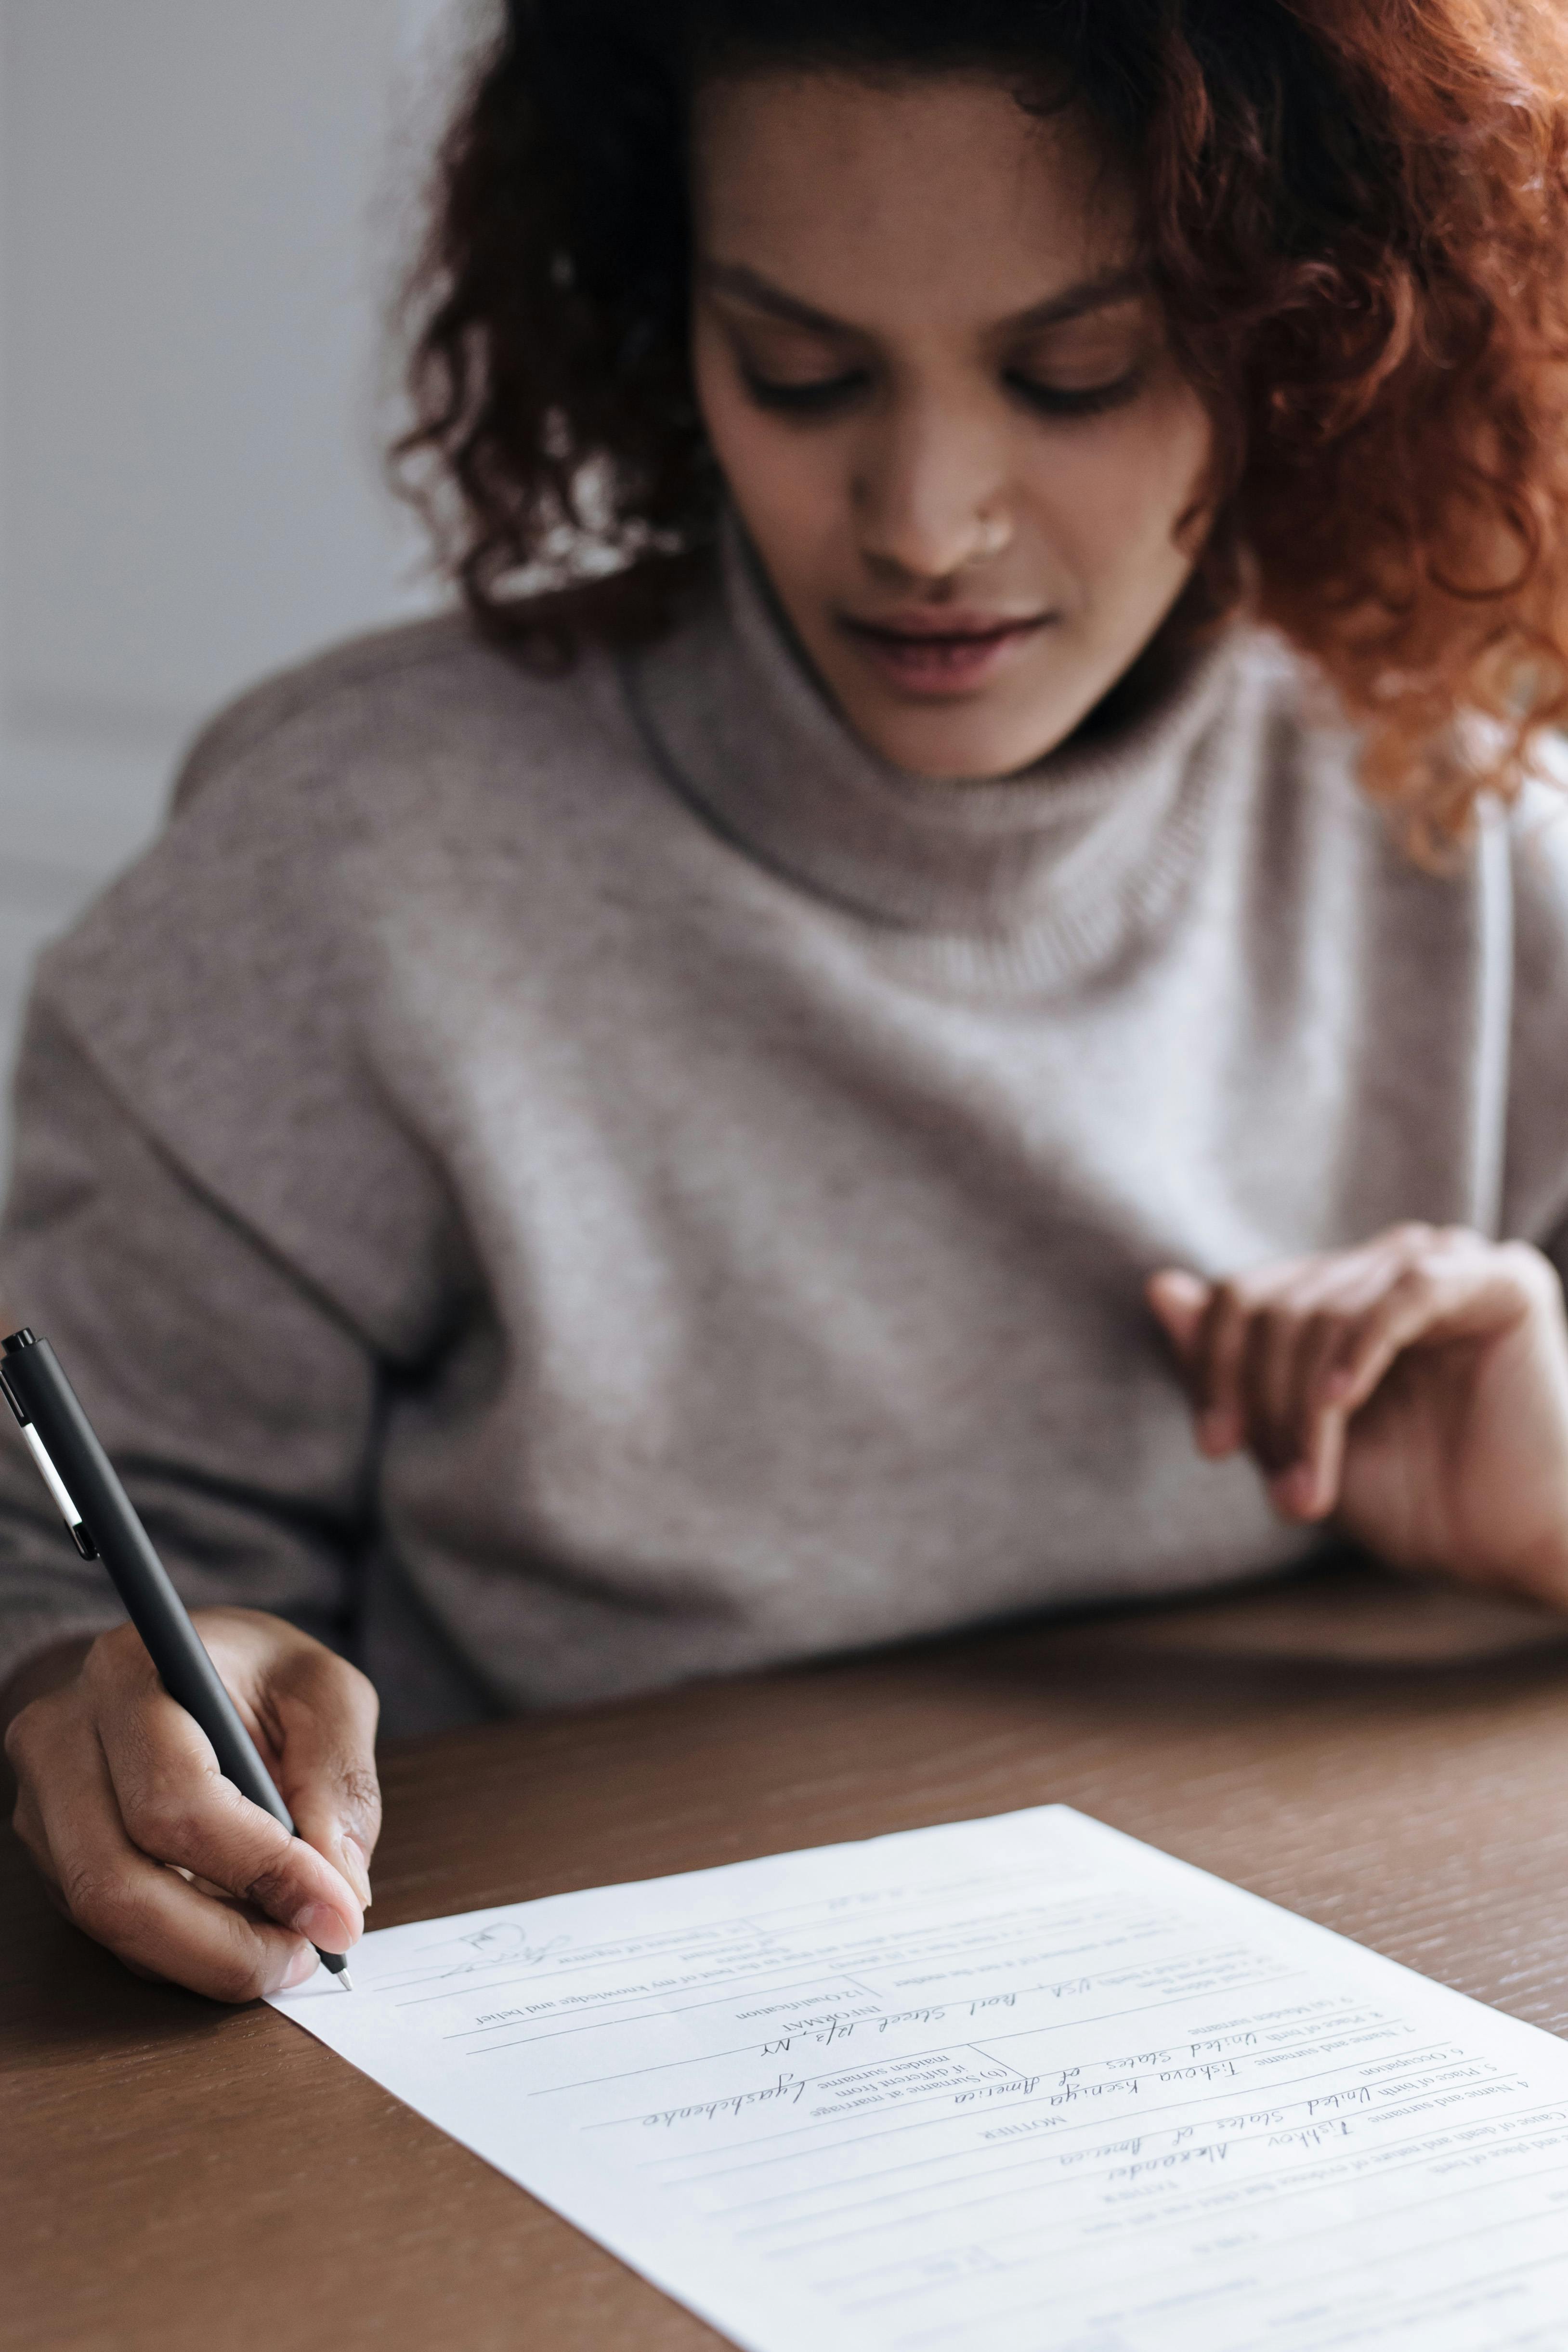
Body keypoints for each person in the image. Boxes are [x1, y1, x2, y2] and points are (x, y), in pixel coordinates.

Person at [8, 0, 1568, 2004]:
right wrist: (96, 1680)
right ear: (663, 311)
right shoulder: (343, 865)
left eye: (1074, 373)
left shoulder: (1458, 825)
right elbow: (62, 1548)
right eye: (802, 368)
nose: (925, 521)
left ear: (1301, 330)